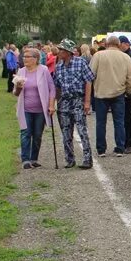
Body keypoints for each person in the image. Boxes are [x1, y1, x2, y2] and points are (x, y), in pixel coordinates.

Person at [90, 35, 131, 157]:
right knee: (119, 122)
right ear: (119, 44)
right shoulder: (125, 57)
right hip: (119, 93)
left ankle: (101, 149)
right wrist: (129, 91)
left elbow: (91, 74)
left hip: (101, 93)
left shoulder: (98, 56)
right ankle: (120, 148)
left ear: (106, 44)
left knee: (100, 122)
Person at [53, 39, 94, 169]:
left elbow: (88, 81)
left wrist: (87, 102)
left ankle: (87, 159)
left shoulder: (80, 62)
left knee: (82, 130)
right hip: (64, 101)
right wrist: (55, 102)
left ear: (68, 52)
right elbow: (57, 86)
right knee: (66, 132)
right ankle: (69, 159)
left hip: (78, 99)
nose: (59, 52)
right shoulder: (58, 66)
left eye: (61, 50)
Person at [12, 47, 56, 169]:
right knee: (26, 133)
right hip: (25, 108)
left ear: (35, 59)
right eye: (24, 57)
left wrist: (51, 105)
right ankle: (25, 160)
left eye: (27, 57)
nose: (24, 59)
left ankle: (34, 158)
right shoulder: (21, 71)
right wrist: (19, 87)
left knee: (37, 135)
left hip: (40, 109)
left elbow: (52, 88)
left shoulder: (44, 70)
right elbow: (15, 93)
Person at [118, 36, 131, 154]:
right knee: (125, 119)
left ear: (125, 44)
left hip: (128, 92)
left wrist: (128, 90)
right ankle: (126, 142)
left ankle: (130, 143)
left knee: (128, 119)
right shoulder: (127, 55)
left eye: (120, 44)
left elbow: (130, 76)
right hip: (125, 92)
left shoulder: (130, 56)